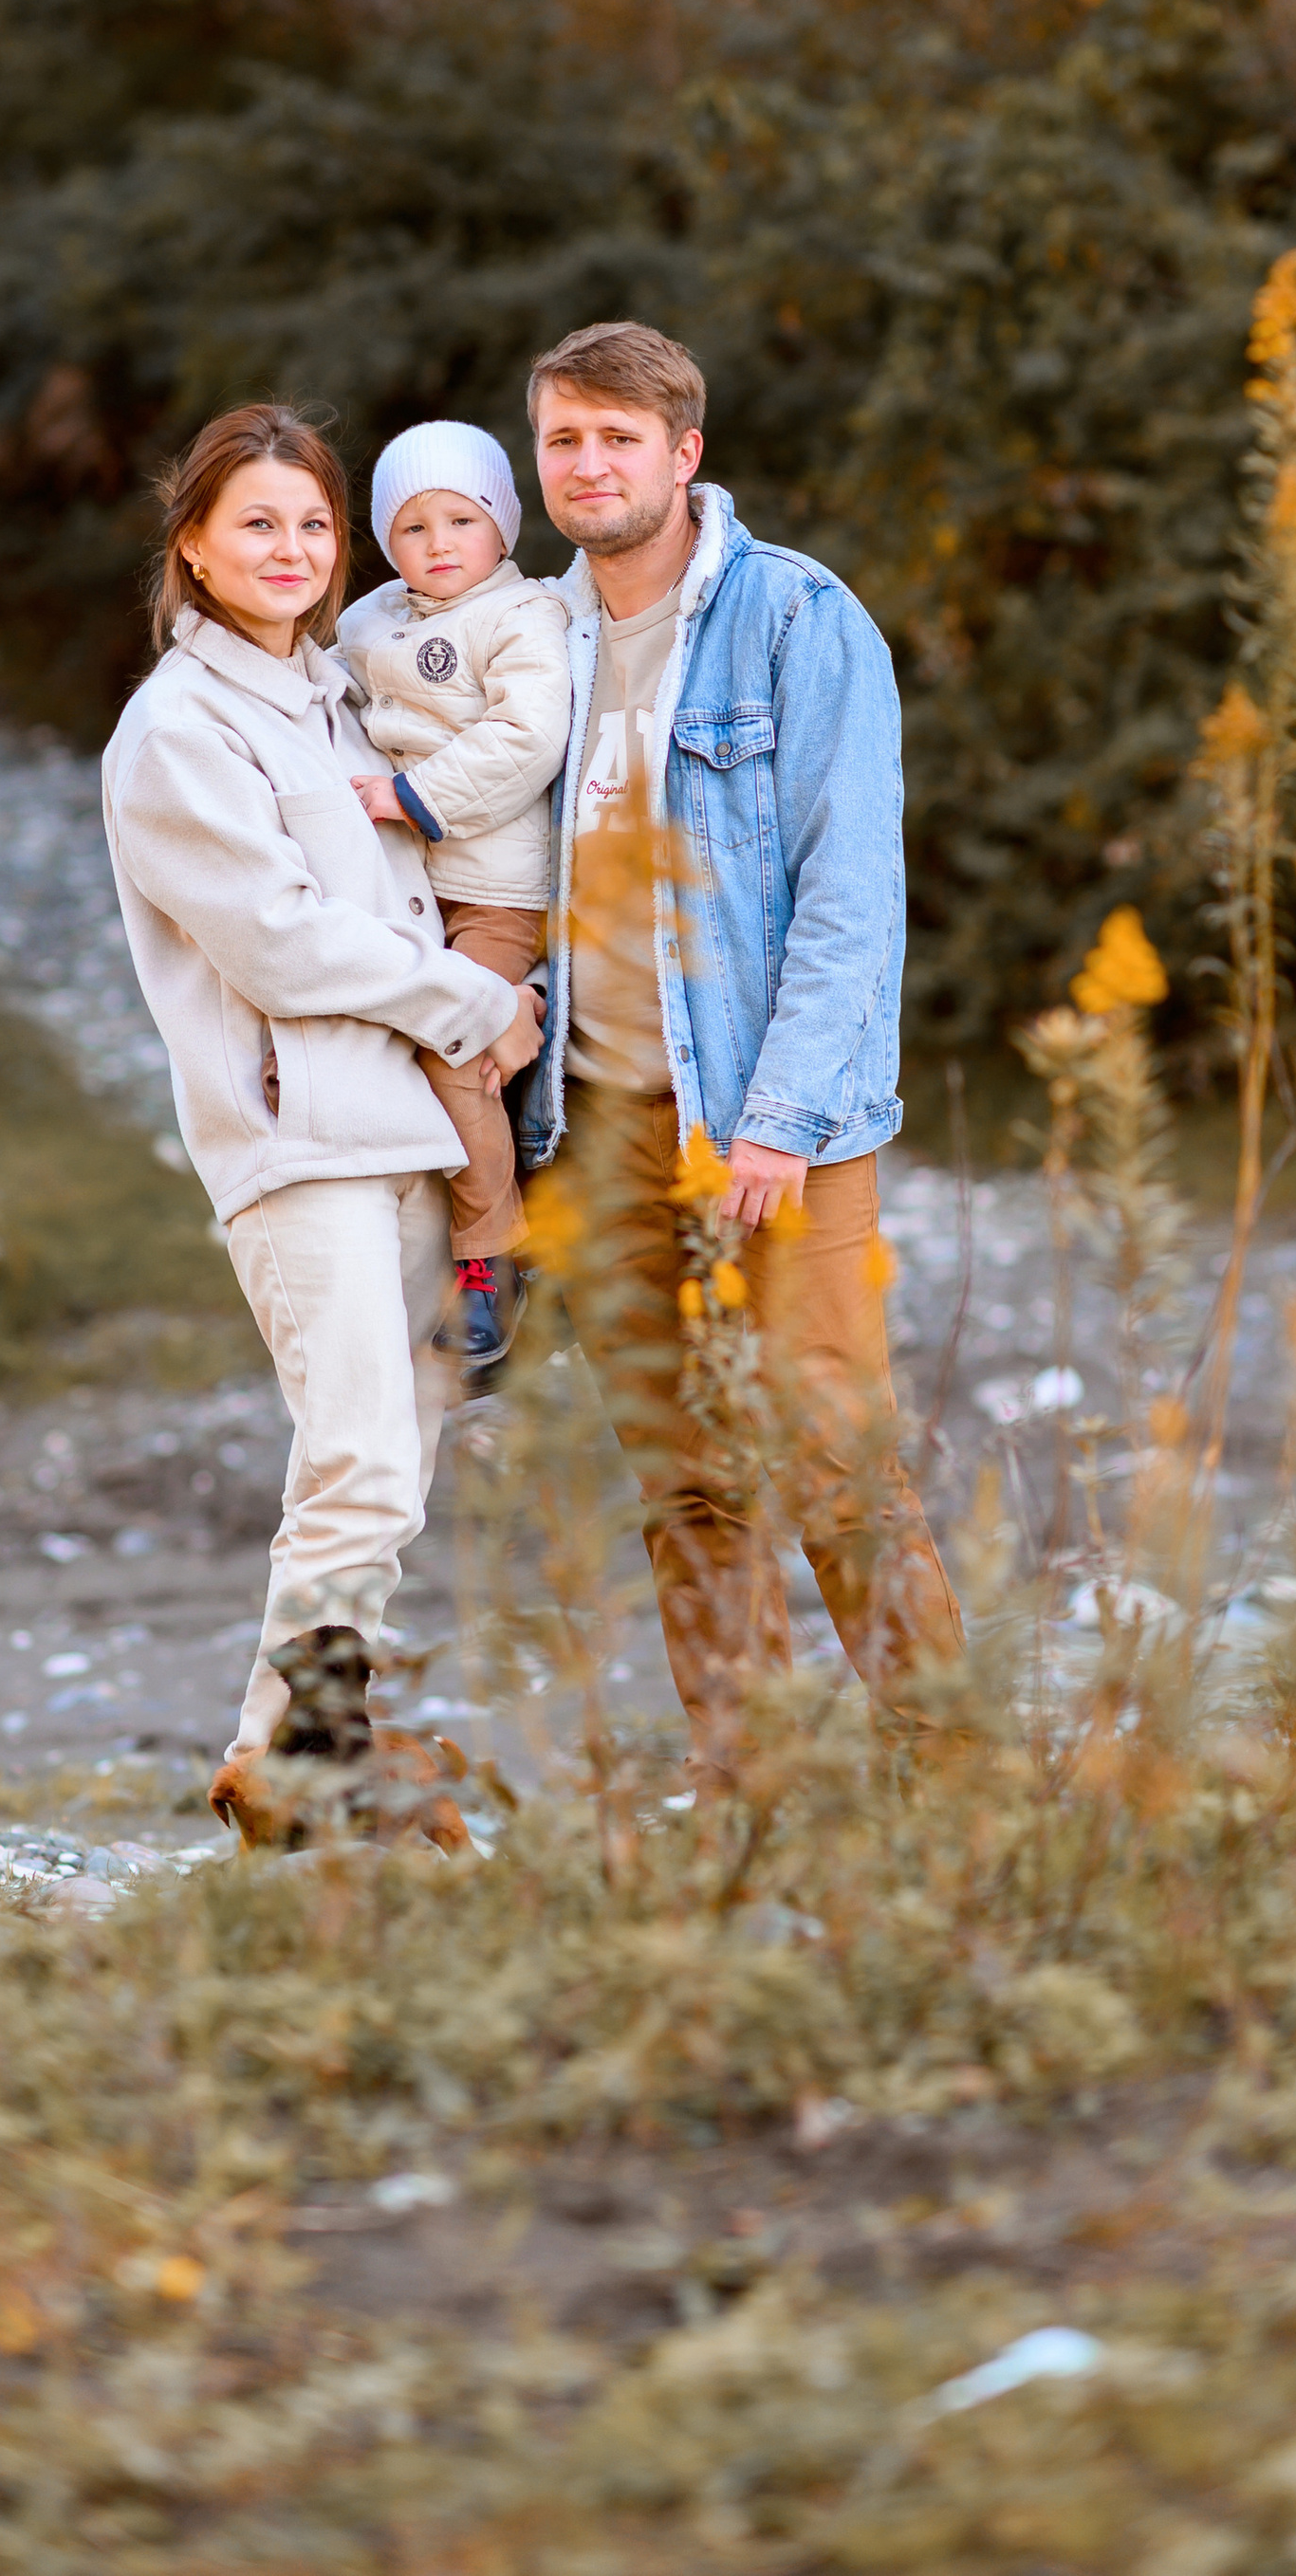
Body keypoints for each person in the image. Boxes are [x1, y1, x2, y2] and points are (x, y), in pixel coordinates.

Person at [519, 319, 965, 1774]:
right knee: (688, 1480)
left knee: (835, 1457)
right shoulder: (533, 634)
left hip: (774, 1122)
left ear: (684, 454)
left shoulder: (794, 616)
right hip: (594, 1124)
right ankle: (752, 1786)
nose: (590, 465)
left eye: (618, 438)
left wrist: (779, 1114)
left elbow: (853, 889)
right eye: (565, 439)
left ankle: (960, 1778)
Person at [100, 401, 542, 1829]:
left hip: (405, 1126)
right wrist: (472, 1002)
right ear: (194, 547)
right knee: (356, 1456)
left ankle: (287, 1767)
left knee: (388, 1469)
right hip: (303, 1143)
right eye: (257, 523)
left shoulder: (337, 692)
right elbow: (280, 941)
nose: (291, 548)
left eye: (312, 523)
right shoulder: (178, 728)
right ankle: (309, 1763)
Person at [337, 419, 569, 1376]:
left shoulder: (521, 618)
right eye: (413, 528)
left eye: (459, 520)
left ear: (502, 526)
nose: (437, 545)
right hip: (403, 891)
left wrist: (408, 795)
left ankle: (493, 1253)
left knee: (452, 1045)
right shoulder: (366, 622)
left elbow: (527, 735)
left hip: (494, 894)